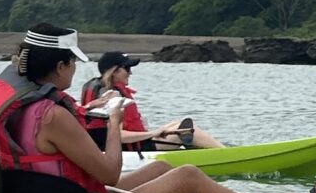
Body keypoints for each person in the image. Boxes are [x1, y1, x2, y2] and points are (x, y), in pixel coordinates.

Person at [0, 29, 247, 193]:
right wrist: (114, 123)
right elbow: (109, 174)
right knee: (187, 175)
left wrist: (90, 109)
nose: (74, 69)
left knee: (161, 167)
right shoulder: (52, 115)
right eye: (73, 63)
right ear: (60, 67)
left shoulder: (13, 98)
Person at [85, 52, 219, 151]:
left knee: (179, 123)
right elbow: (118, 136)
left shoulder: (97, 87)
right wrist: (153, 133)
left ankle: (208, 153)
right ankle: (226, 154)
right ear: (114, 71)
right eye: (127, 69)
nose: (130, 73)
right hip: (131, 148)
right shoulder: (112, 96)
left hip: (127, 144)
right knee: (189, 130)